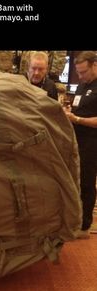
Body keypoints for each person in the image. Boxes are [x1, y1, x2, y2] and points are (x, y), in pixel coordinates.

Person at [64, 51, 97, 239]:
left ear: (94, 65)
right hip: (76, 140)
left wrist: (77, 119)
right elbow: (78, 106)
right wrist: (69, 112)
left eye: (84, 72)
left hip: (92, 143)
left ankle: (85, 226)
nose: (81, 76)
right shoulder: (82, 85)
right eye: (78, 73)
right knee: (75, 180)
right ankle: (75, 219)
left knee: (86, 182)